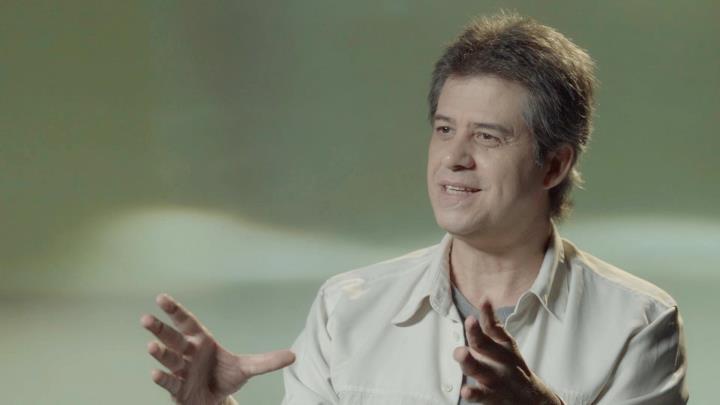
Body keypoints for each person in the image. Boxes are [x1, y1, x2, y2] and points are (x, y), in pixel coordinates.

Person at [140, 12, 688, 405]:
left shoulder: (638, 324)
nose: (454, 158)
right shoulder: (346, 309)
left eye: (487, 137)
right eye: (444, 130)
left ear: (554, 165)